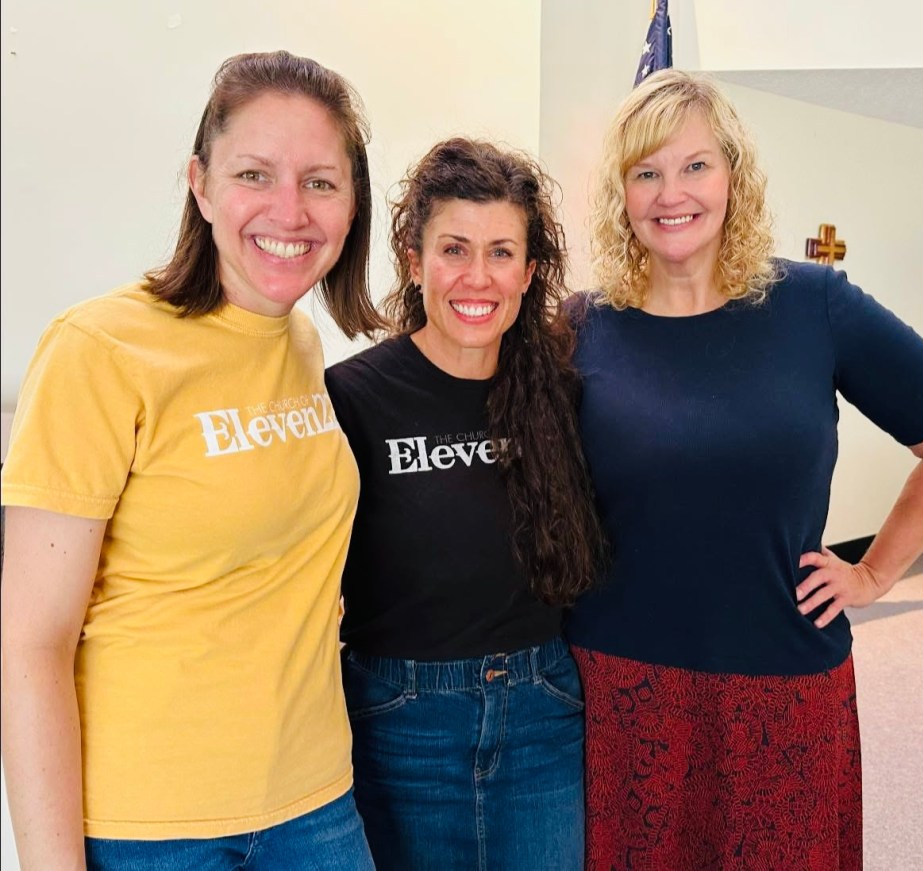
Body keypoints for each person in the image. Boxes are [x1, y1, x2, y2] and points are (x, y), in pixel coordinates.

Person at [565, 69, 923, 870]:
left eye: (695, 165)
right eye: (646, 172)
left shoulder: (812, 305)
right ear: (621, 192)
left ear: (734, 174)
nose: (672, 193)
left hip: (781, 681)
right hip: (620, 688)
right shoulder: (583, 326)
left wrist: (873, 574)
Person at [0, 50, 382, 870]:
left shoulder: (300, 342)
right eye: (255, 173)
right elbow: (31, 641)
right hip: (153, 830)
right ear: (200, 184)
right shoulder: (98, 349)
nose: (291, 209)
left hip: (317, 804)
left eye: (321, 181)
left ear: (353, 204)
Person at [324, 137, 605, 870]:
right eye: (454, 248)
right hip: (399, 719)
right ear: (415, 262)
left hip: (543, 709)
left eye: (501, 252)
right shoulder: (352, 396)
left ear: (530, 270)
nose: (477, 277)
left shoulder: (561, 392)